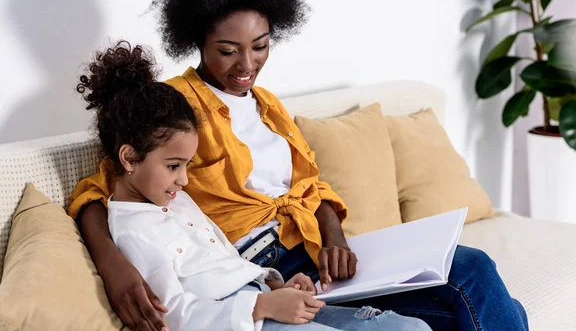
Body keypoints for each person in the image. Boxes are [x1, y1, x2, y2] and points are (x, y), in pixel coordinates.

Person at [69, 0, 529, 331]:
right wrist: (112, 266)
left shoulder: (270, 106)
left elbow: (313, 186)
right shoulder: (172, 108)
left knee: (473, 273)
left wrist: (335, 237)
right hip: (259, 265)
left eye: (261, 46)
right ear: (197, 39)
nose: (246, 66)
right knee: (483, 303)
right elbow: (101, 189)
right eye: (227, 51)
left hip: (315, 252)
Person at [75, 41, 432, 331]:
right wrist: (262, 304)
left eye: (186, 166)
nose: (184, 180)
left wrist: (276, 286)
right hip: (245, 320)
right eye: (173, 167)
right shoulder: (134, 232)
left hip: (263, 295)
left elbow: (225, 262)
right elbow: (175, 314)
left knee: (411, 328)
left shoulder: (175, 200)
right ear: (128, 158)